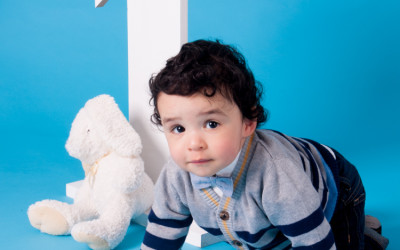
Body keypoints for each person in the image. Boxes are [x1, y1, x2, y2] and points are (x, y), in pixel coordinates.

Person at [141, 40, 388, 249]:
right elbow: (161, 233)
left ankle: (363, 232)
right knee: (280, 229)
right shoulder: (176, 175)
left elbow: (314, 243)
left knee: (329, 235)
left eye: (212, 124)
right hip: (278, 214)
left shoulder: (277, 174)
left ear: (248, 123)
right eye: (178, 129)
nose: (193, 144)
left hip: (337, 186)